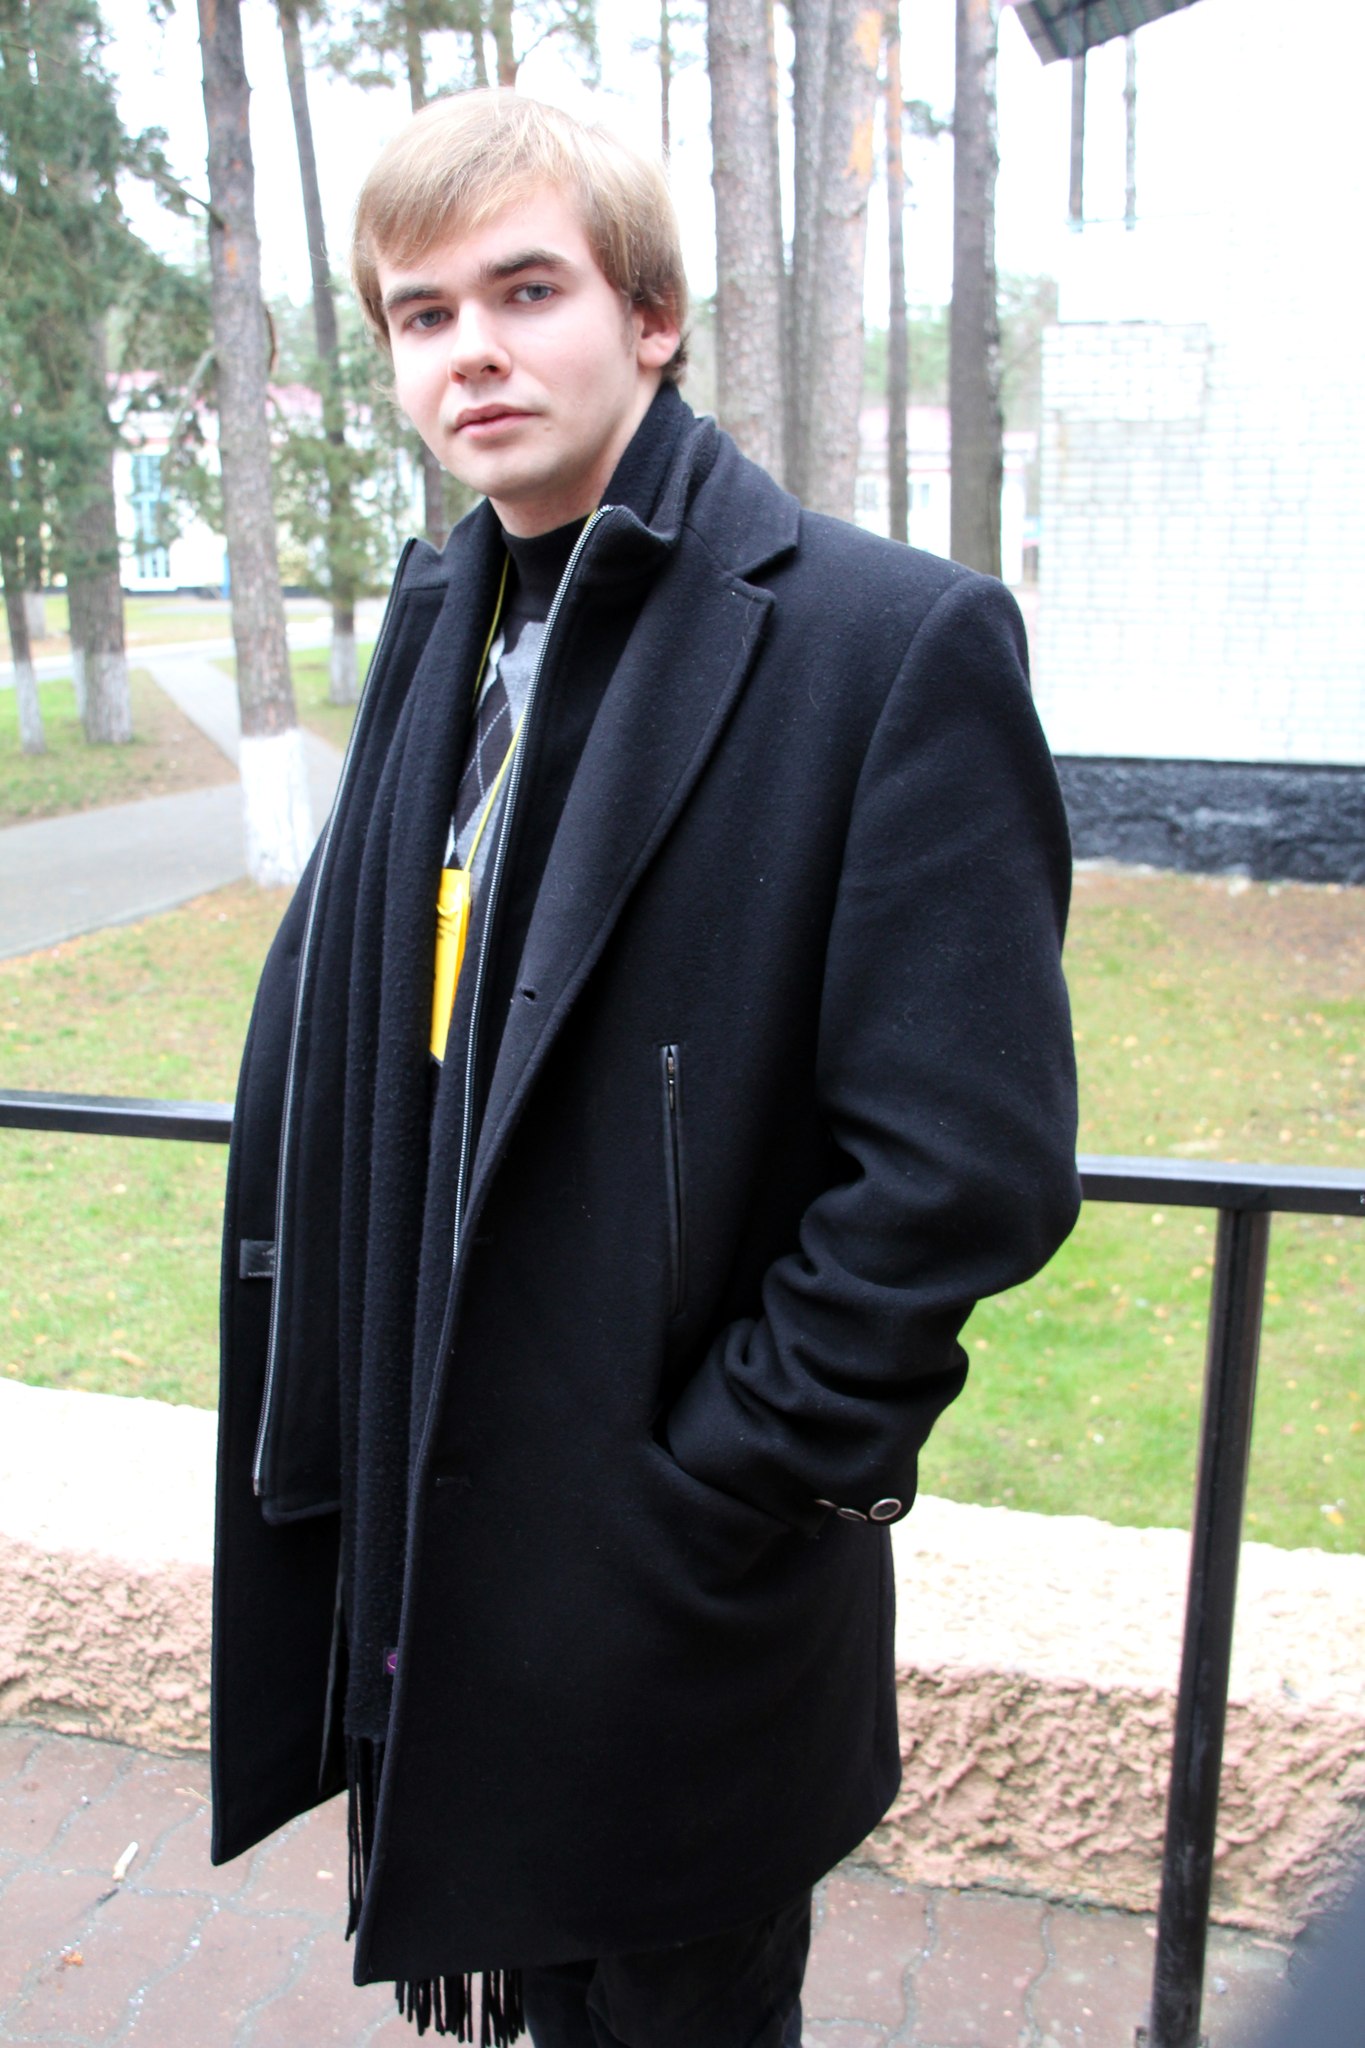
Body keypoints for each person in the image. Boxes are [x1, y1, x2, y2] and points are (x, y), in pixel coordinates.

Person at [211, 89, 1080, 2048]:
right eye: (423, 314)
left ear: (652, 317)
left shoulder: (880, 640)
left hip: (674, 1581)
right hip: (444, 1535)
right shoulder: (447, 627)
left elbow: (963, 1168)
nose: (472, 351)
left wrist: (713, 1482)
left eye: (526, 291)